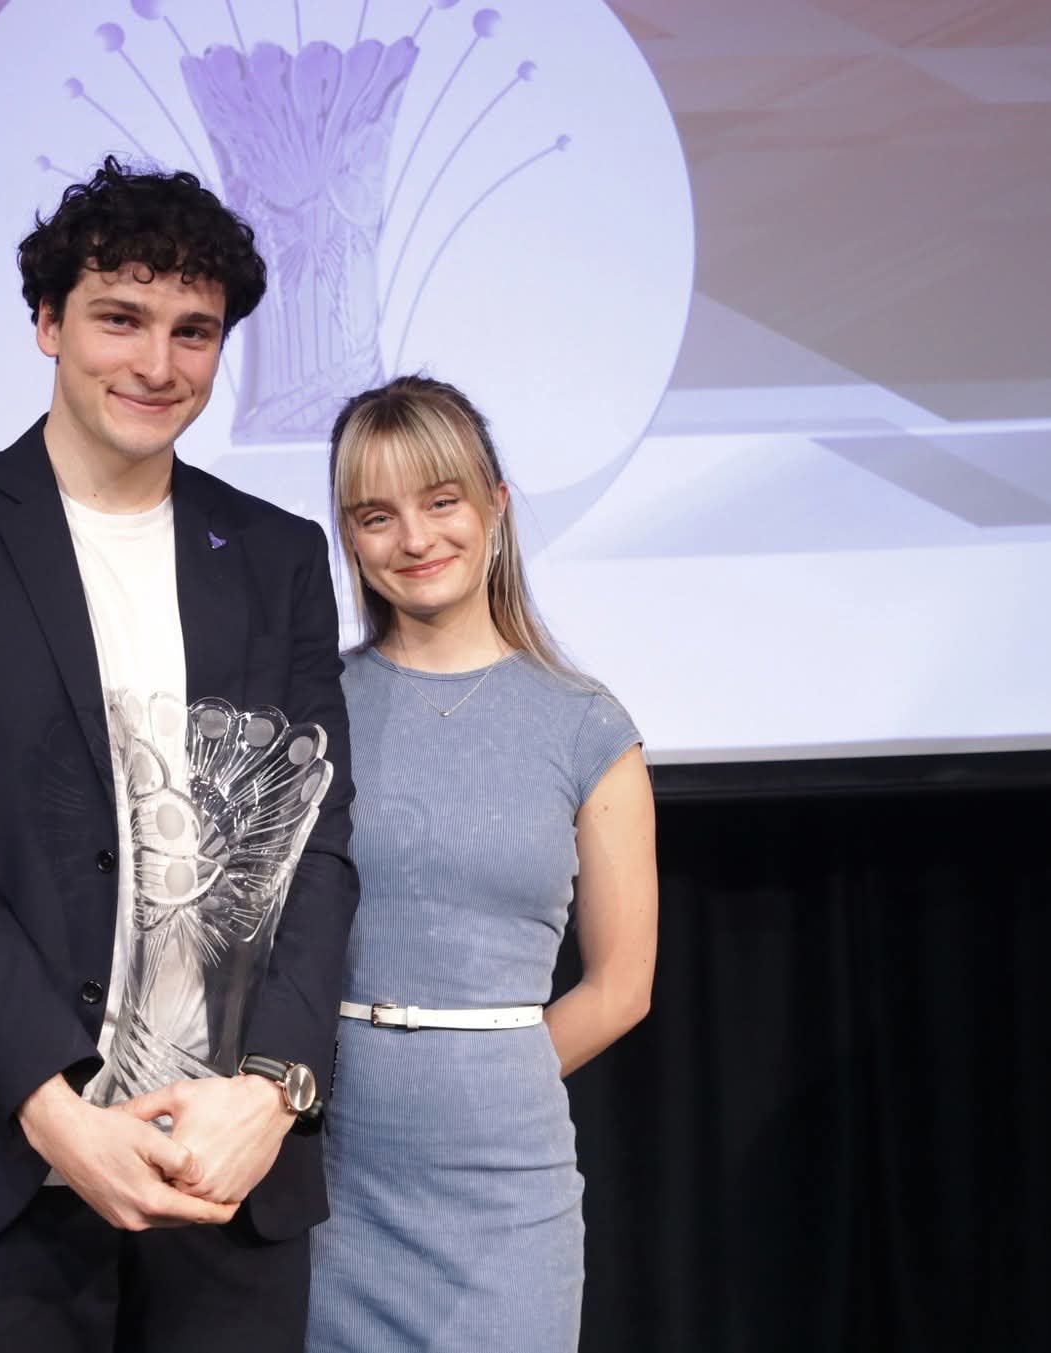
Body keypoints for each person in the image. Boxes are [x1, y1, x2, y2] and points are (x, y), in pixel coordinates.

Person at [0, 157, 358, 1352]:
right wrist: (56, 1110)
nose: (157, 364)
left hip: (226, 1163)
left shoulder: (273, 554)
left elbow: (316, 850)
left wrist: (271, 1088)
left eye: (193, 332)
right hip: (2, 1156)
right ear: (47, 324)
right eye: (119, 319)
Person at [305, 375, 658, 1351]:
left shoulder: (586, 726)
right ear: (349, 537)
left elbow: (621, 988)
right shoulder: (314, 707)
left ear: (494, 505)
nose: (414, 538)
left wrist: (484, 1071)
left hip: (508, 1200)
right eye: (376, 515)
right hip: (332, 1186)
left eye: (440, 501)